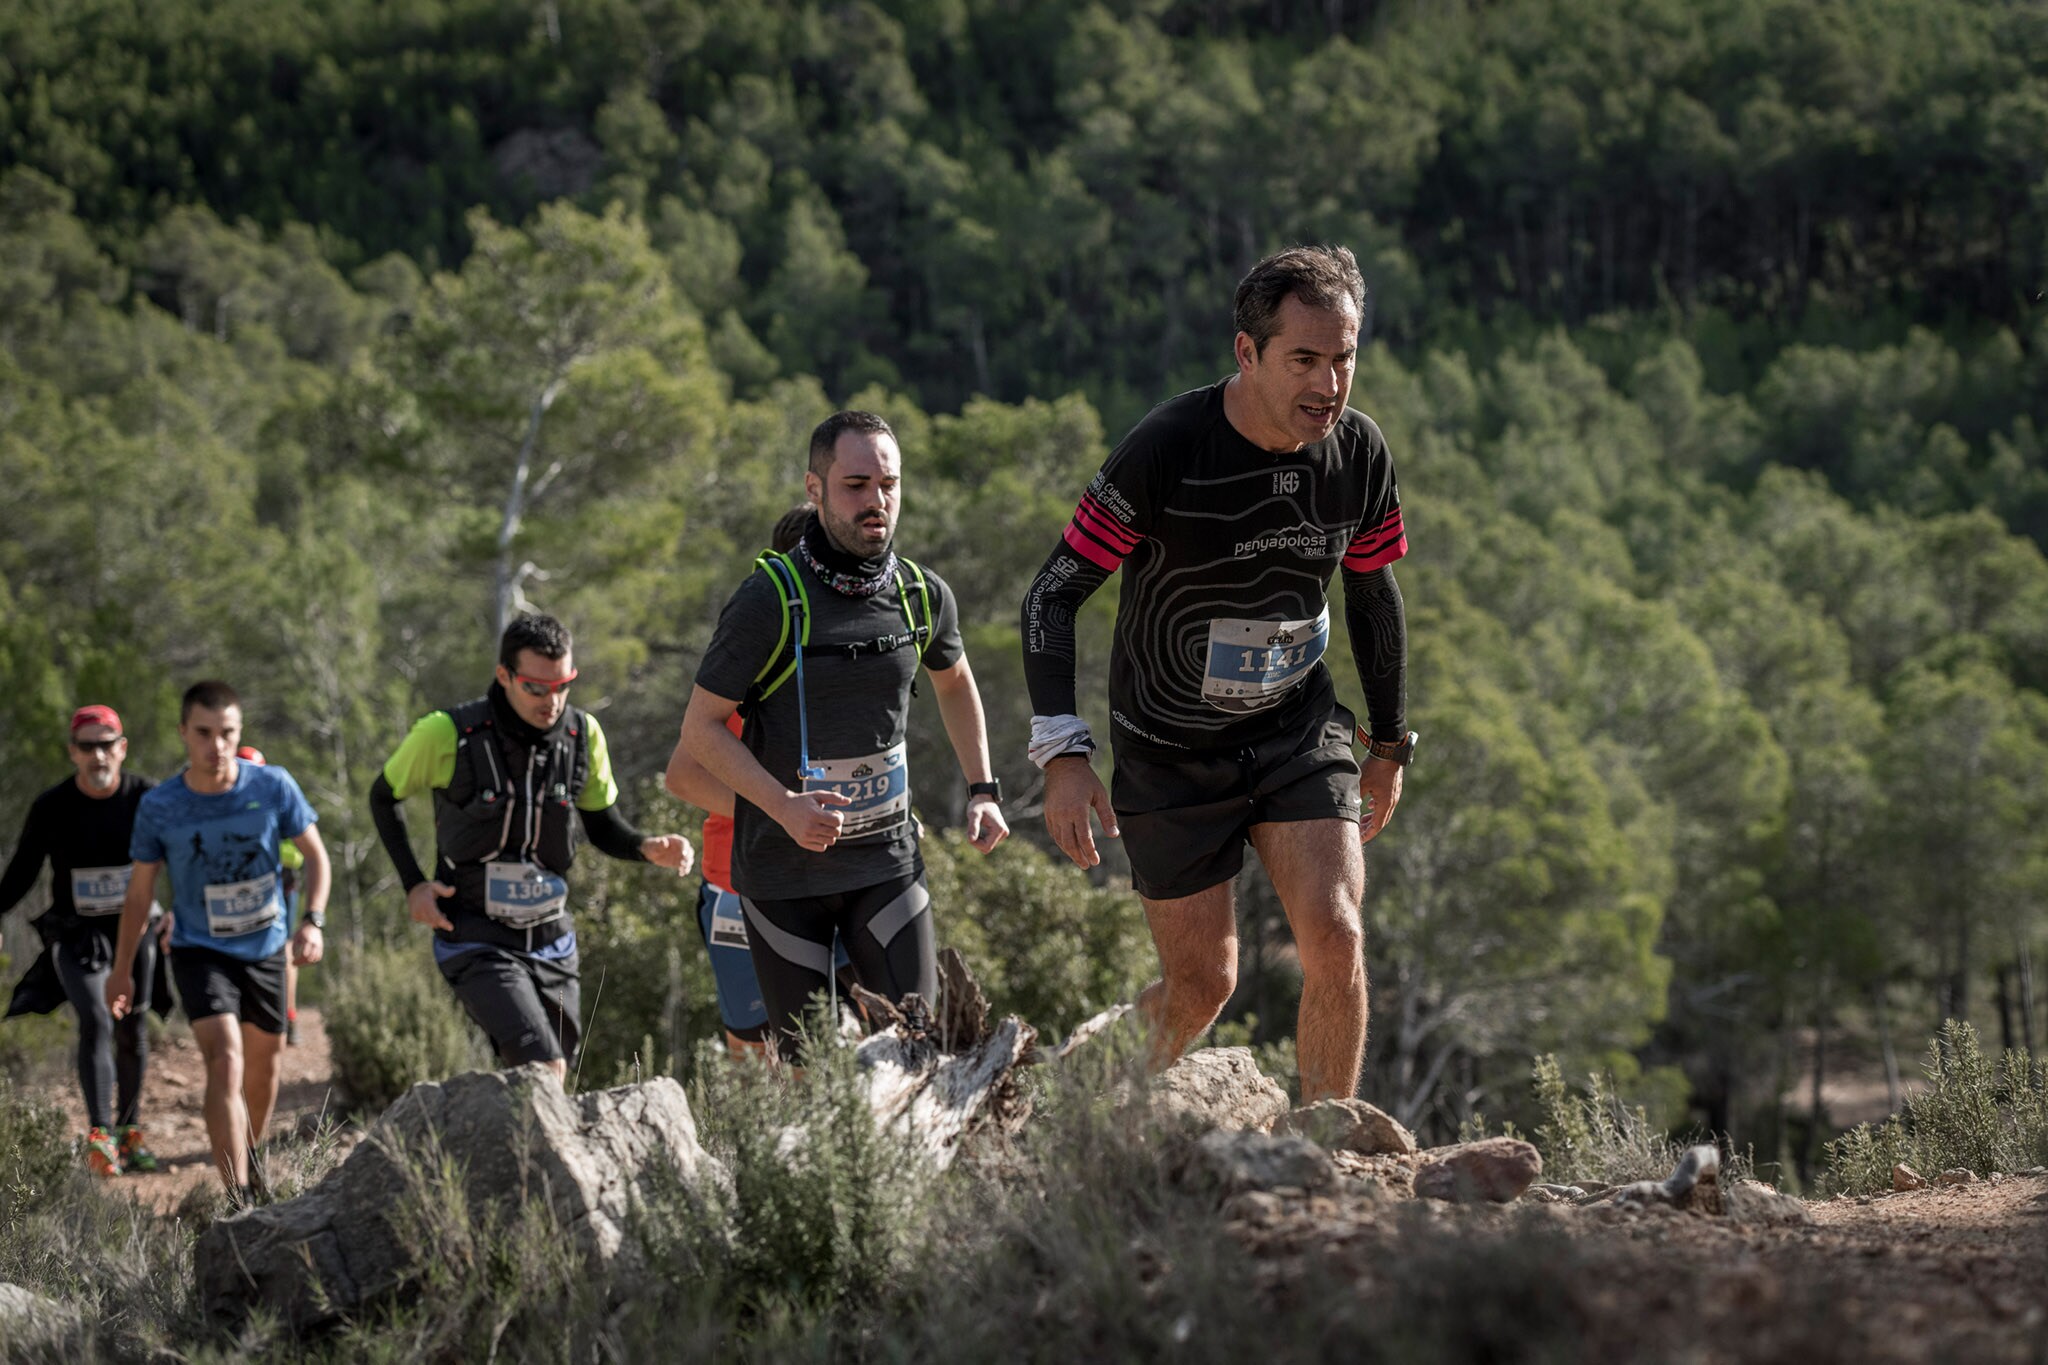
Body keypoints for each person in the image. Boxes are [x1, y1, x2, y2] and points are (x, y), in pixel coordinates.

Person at [1019, 245, 1415, 1103]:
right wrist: (1064, 751)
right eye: (1304, 358)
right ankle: (1059, 1107)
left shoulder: (1360, 454)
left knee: (1338, 938)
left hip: (1295, 730)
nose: (1331, 383)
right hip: (1170, 750)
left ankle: (1325, 1160)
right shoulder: (1167, 448)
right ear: (1247, 352)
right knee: (1204, 987)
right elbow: (1052, 595)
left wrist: (1389, 742)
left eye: (1345, 357)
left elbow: (1373, 593)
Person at [680, 411, 1009, 1060]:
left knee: (918, 1049)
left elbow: (954, 682)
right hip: (782, 876)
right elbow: (699, 730)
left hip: (884, 860)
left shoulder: (920, 593)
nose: (876, 500)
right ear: (815, 488)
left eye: (888, 484)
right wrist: (782, 807)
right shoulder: (768, 599)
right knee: (812, 1079)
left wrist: (982, 787)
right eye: (856, 484)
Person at [368, 614, 693, 1083]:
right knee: (544, 1067)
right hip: (475, 933)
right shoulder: (447, 733)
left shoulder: (584, 736)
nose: (553, 701)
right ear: (504, 675)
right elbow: (383, 797)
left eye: (563, 686)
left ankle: (502, 1153)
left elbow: (602, 825)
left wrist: (645, 847)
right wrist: (414, 884)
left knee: (552, 1077)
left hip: (552, 937)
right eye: (536, 688)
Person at [105, 681, 330, 1199]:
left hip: (267, 947)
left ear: (239, 732)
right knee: (224, 1059)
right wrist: (121, 969)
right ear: (184, 732)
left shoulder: (272, 787)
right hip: (199, 950)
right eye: (204, 733)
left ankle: (247, 1157)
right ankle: (239, 1197)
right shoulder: (162, 806)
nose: (217, 746)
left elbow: (317, 856)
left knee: (263, 1069)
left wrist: (313, 921)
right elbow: (139, 895)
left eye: (227, 733)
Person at [667, 505, 865, 1059]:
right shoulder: (754, 663)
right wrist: (777, 808)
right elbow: (682, 775)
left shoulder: (850, 658)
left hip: (841, 877)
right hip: (738, 882)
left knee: (874, 1024)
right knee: (758, 1058)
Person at [0, 706, 166, 1176]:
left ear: (123, 748)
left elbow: (179, 858)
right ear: (74, 753)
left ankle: (130, 1134)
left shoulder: (146, 799)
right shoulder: (51, 807)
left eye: (107, 743)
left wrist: (178, 915)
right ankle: (100, 1138)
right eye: (88, 746)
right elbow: (19, 875)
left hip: (136, 929)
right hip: (77, 932)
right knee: (96, 1018)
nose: (99, 755)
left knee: (133, 1025)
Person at [236, 747, 305, 1045]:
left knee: (285, 951)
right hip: (243, 895)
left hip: (282, 890)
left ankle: (288, 1015)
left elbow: (301, 854)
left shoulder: (278, 803)